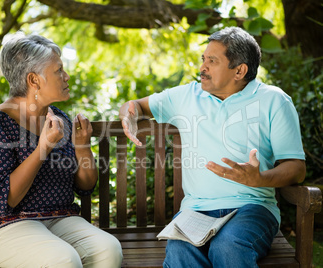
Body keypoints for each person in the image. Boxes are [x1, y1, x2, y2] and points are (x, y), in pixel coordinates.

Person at [119, 26, 306, 268]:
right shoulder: (186, 96)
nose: (202, 68)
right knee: (180, 251)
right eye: (203, 59)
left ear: (239, 70)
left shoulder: (274, 101)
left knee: (228, 246)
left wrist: (259, 178)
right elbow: (135, 105)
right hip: (196, 210)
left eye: (212, 61)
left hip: (252, 208)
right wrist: (129, 116)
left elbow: (296, 168)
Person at [0, 32, 123, 268]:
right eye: (58, 70)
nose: (67, 76)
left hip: (60, 218)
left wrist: (82, 147)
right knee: (63, 260)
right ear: (34, 80)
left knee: (109, 251)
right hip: (4, 224)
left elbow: (86, 186)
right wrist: (43, 148)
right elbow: (5, 200)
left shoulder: (59, 119)